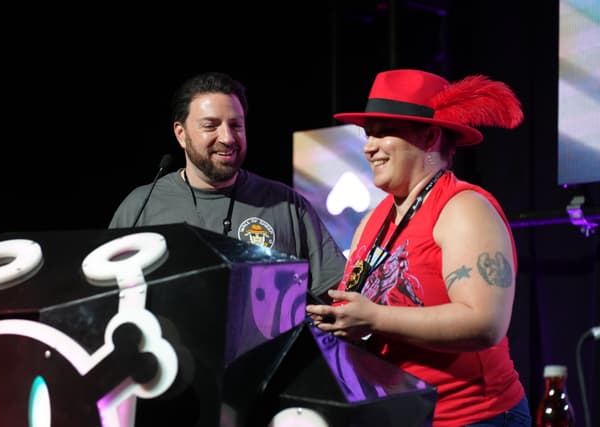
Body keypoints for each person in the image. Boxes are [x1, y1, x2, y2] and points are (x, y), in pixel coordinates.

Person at [306, 69, 531, 426]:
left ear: (429, 137)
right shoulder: (375, 219)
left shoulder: (463, 208)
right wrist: (345, 321)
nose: (368, 146)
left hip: (472, 418)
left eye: (384, 133)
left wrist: (374, 318)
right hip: (403, 415)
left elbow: (485, 323)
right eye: (368, 134)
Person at [109, 71, 346, 299]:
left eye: (236, 125)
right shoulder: (142, 205)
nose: (228, 138)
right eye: (210, 126)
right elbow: (105, 291)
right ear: (181, 134)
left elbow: (335, 294)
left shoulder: (285, 203)